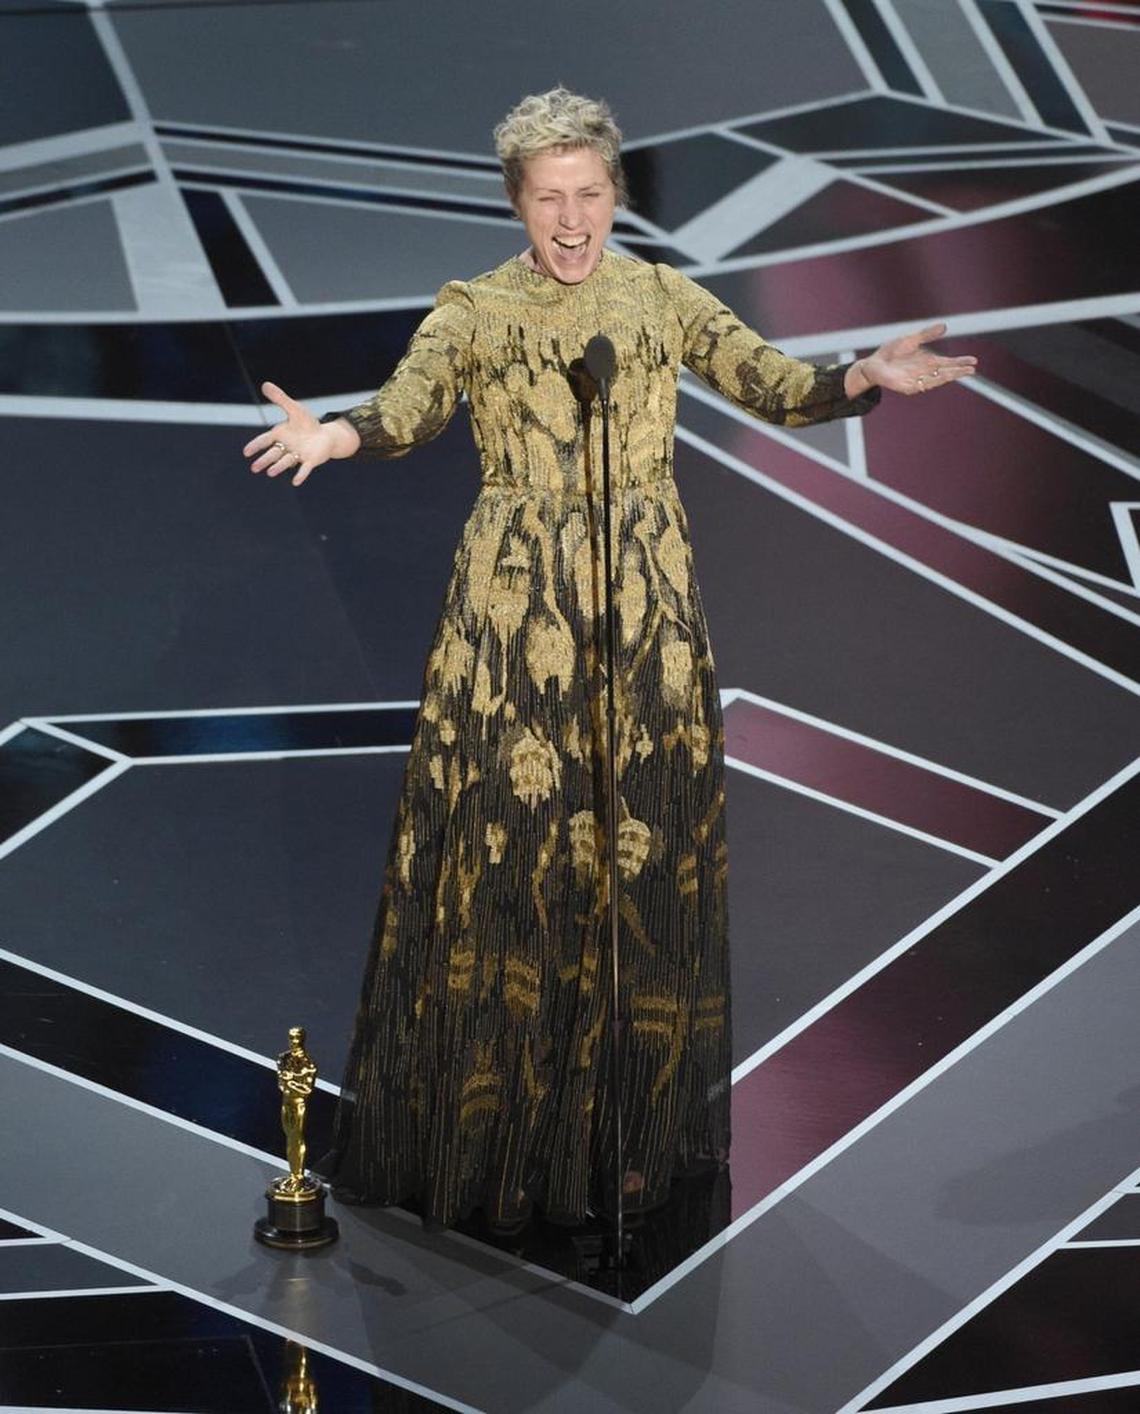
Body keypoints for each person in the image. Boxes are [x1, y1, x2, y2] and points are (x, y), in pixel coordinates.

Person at [242, 87, 976, 1234]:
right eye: (550, 200)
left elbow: (770, 383)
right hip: (511, 611)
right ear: (518, 204)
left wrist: (862, 376)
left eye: (591, 196)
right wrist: (329, 433)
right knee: (514, 851)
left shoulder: (659, 296)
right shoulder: (475, 309)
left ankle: (618, 1134)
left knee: (633, 854)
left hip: (643, 607)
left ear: (617, 197)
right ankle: (495, 1124)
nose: (572, 220)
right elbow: (410, 402)